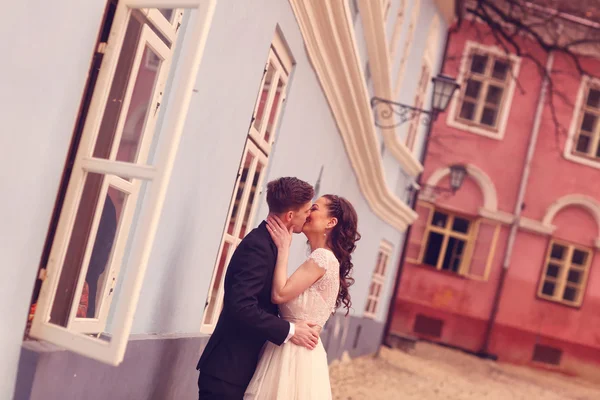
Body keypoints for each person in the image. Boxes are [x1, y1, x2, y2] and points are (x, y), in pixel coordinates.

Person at [197, 177, 322, 399]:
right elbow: (241, 306)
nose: (308, 216)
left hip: (240, 369)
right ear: (290, 216)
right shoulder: (258, 246)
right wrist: (291, 330)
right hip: (227, 370)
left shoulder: (271, 243)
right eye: (305, 211)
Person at [245, 194, 360, 399]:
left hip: (293, 355)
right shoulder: (326, 259)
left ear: (331, 222)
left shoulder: (322, 258)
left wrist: (283, 249)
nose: (308, 213)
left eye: (314, 208)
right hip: (298, 351)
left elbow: (279, 294)